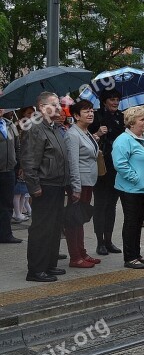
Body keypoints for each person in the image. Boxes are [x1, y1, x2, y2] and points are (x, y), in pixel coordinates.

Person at [20, 92, 70, 282]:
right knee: (42, 229)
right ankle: (36, 270)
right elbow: (29, 161)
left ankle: (49, 264)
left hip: (57, 184)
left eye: (59, 105)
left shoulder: (53, 127)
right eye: (55, 105)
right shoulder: (35, 128)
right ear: (42, 107)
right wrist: (34, 187)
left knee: (54, 227)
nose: (59, 108)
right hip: (45, 185)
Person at [112, 106, 144, 269]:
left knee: (138, 222)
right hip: (131, 189)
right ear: (131, 123)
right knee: (131, 223)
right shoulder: (123, 140)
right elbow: (120, 164)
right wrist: (137, 180)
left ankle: (136, 254)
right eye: (142, 120)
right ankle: (130, 257)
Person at [64, 99, 102, 268]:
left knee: (80, 219)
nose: (90, 113)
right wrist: (76, 187)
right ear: (76, 115)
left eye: (92, 110)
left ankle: (82, 252)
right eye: (86, 111)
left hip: (89, 181)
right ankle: (75, 257)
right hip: (80, 183)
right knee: (74, 220)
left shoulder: (85, 132)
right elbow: (73, 162)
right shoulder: (72, 134)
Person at [88, 88, 124, 255]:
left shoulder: (122, 117)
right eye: (112, 99)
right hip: (101, 167)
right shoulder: (95, 116)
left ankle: (109, 240)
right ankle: (99, 242)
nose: (115, 102)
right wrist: (97, 133)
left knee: (111, 206)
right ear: (104, 101)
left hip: (117, 167)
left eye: (117, 99)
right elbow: (85, 140)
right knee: (100, 205)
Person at [0, 108, 22, 243]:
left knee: (7, 204)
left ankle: (6, 234)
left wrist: (19, 165)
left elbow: (17, 146)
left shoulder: (9, 124)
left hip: (9, 171)